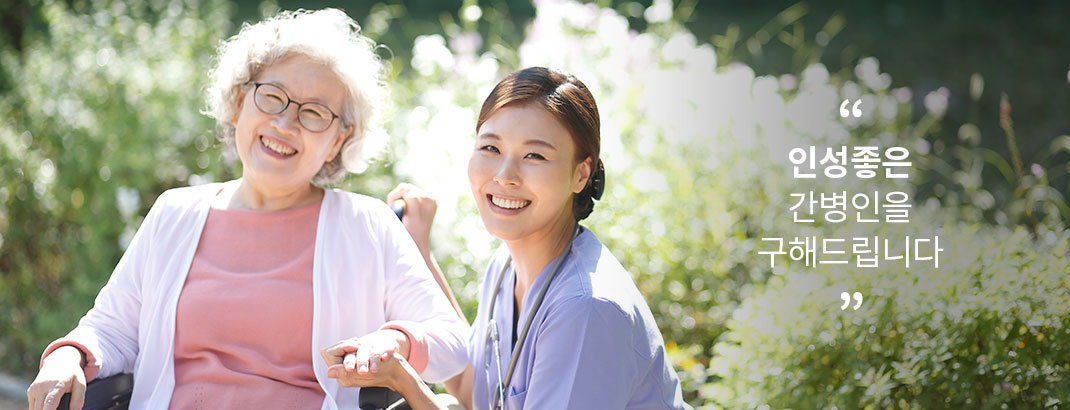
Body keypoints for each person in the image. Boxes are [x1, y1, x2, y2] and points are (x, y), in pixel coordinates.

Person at [26, 9, 467, 410]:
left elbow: (452, 342)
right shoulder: (174, 214)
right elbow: (111, 328)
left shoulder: (365, 226)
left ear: (339, 139)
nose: (285, 123)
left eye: (314, 113)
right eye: (272, 96)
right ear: (239, 101)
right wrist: (67, 355)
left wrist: (394, 340)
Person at [324, 67, 690, 409]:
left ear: (581, 173)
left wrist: (404, 380)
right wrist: (420, 250)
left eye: (535, 155)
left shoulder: (586, 309)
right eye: (491, 148)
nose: (504, 175)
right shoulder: (505, 266)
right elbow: (473, 391)